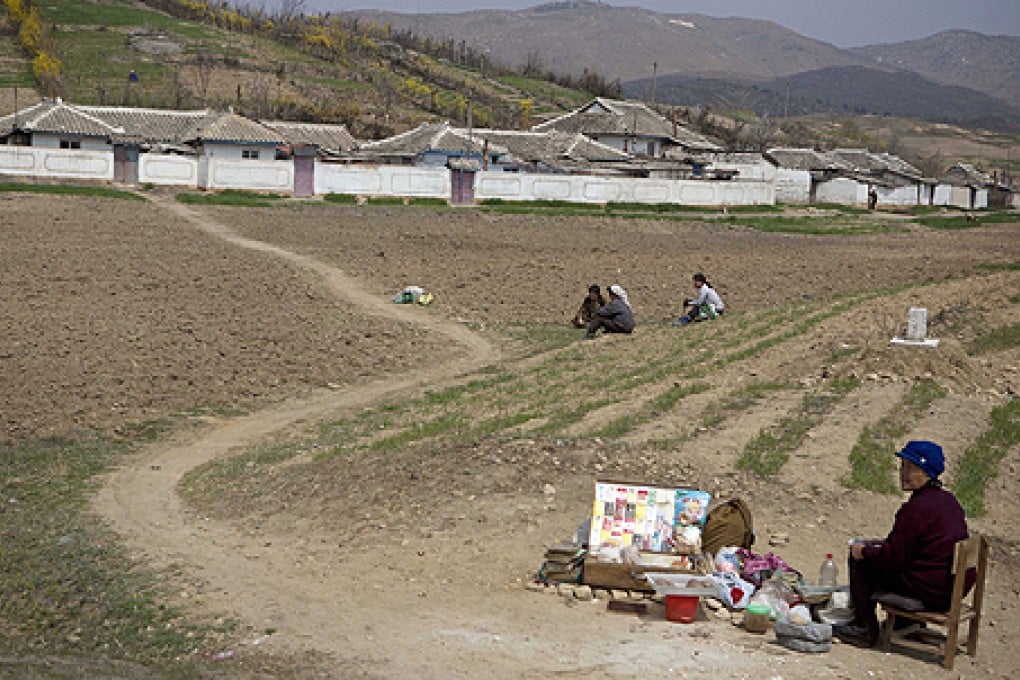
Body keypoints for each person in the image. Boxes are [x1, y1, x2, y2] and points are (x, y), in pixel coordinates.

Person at [834, 440, 973, 648]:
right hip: (951, 586)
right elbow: (918, 546)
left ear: (927, 472)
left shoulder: (916, 510)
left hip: (930, 592)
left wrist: (864, 551)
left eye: (912, 468)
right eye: (903, 467)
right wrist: (881, 546)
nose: (903, 473)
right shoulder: (947, 501)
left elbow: (893, 559)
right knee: (876, 556)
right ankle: (904, 624)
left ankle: (863, 628)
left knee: (860, 561)